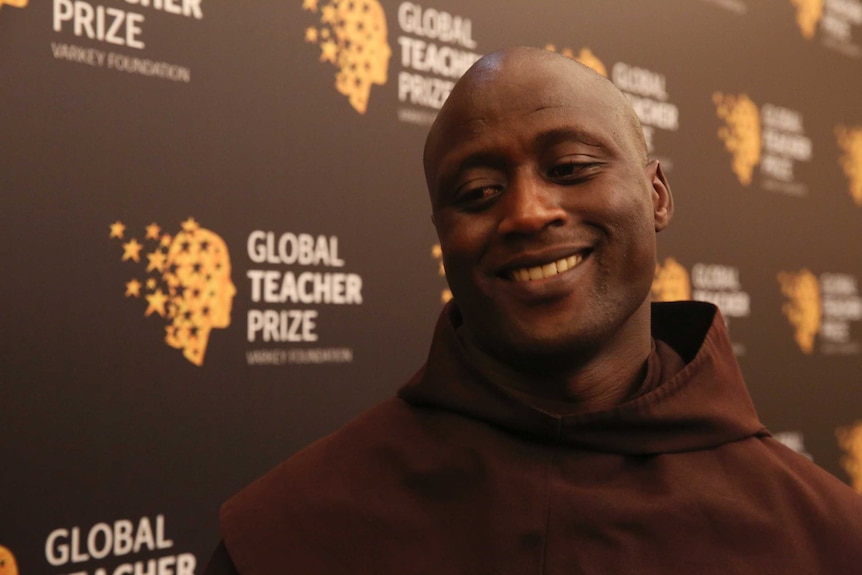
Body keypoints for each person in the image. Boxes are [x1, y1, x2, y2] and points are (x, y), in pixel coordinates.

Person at [204, 46, 862, 574]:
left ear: (657, 195)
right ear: (442, 235)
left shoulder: (829, 536)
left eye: (571, 166)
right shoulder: (289, 532)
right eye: (479, 191)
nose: (525, 213)